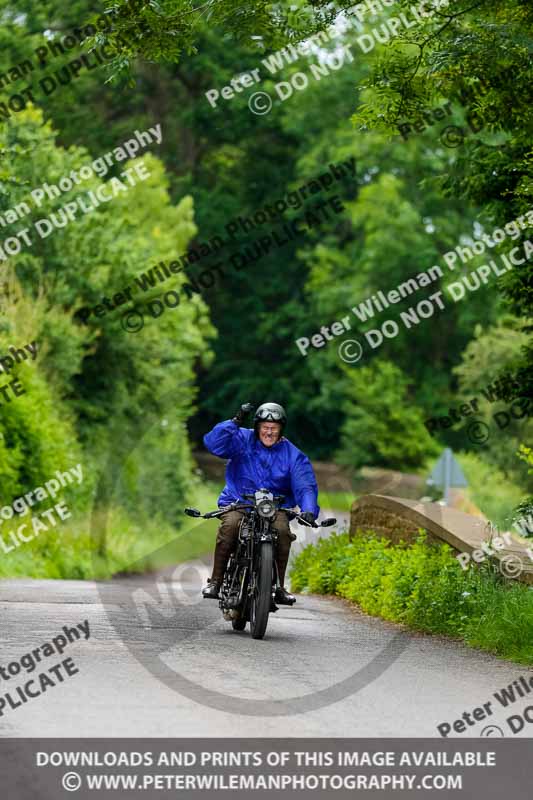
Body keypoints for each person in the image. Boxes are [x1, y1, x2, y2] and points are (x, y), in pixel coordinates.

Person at [201, 402, 319, 605]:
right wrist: (235, 421)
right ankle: (216, 581)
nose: (269, 432)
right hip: (239, 500)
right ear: (257, 427)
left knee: (282, 531)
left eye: (274, 428)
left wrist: (308, 509)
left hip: (274, 506)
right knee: (230, 526)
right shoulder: (242, 439)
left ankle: (279, 587)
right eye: (265, 427)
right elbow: (213, 443)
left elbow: (305, 485)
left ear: (281, 429)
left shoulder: (293, 455)